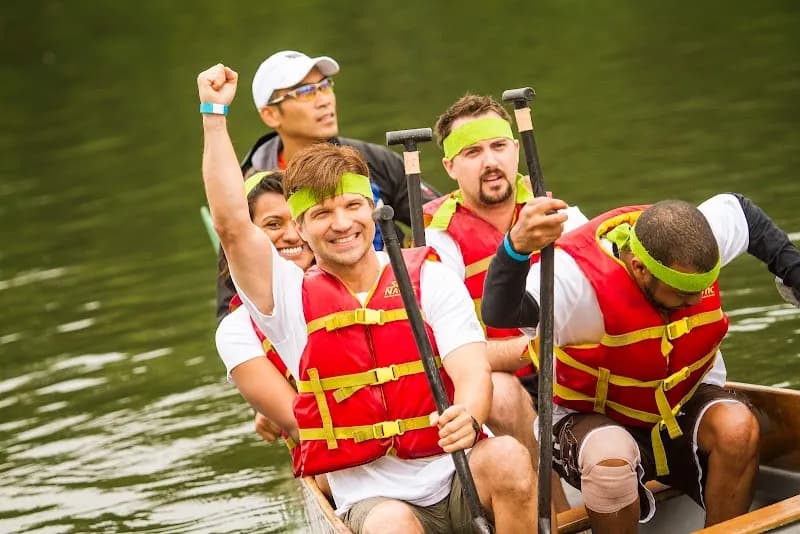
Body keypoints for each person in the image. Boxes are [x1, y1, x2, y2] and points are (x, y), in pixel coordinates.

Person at [198, 63, 539, 533]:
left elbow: (470, 367)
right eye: (322, 214)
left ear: (373, 210)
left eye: (352, 206)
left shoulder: (428, 277)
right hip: (376, 499)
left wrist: (469, 411)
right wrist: (214, 115)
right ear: (301, 227)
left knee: (509, 457)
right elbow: (232, 226)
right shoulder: (288, 299)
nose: (342, 224)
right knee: (392, 524)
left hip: (459, 474)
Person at [481, 193, 800, 532]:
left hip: (680, 403)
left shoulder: (697, 236)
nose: (695, 301)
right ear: (639, 267)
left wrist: (794, 273)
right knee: (609, 464)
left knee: (738, 429)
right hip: (592, 415)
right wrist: (515, 249)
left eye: (701, 289)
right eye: (682, 293)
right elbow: (500, 313)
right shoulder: (574, 281)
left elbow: (743, 214)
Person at [423, 94, 586, 508]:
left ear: (516, 149)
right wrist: (529, 348)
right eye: (473, 152)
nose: (490, 161)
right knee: (501, 392)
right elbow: (445, 352)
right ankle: (554, 515)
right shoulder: (437, 242)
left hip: (566, 363)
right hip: (496, 377)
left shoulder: (558, 213)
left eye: (498, 146)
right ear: (450, 167)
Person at [211, 50, 442, 321]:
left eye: (324, 86)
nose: (323, 100)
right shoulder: (247, 190)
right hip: (301, 320)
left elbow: (442, 223)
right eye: (305, 92)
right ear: (271, 115)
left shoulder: (372, 160)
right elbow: (230, 309)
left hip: (397, 302)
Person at [215, 170, 311, 447]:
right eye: (273, 224)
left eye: (299, 219)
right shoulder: (236, 328)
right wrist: (269, 406)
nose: (292, 235)